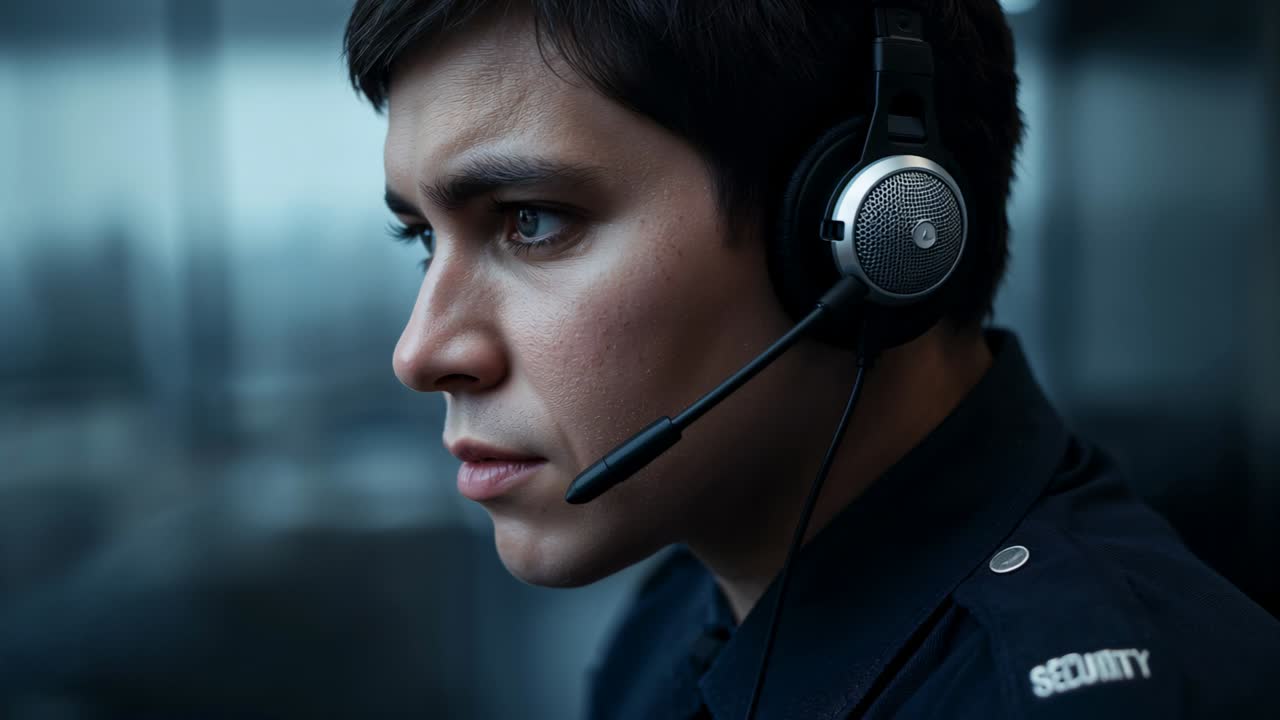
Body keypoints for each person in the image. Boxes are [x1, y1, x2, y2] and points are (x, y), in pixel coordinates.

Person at [343, 0, 1280, 717]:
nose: (422, 353)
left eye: (531, 221)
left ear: (873, 240)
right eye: (423, 238)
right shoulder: (684, 609)